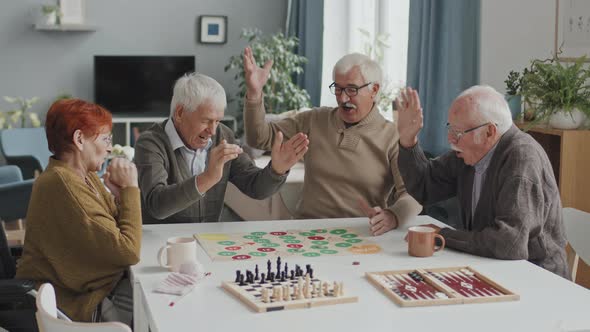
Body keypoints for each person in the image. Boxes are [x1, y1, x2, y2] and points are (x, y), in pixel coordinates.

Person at [243, 47, 421, 235]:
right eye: (337, 88)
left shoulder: (392, 136)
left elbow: (414, 194)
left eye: (351, 89)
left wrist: (393, 216)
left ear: (374, 90)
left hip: (361, 234)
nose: (343, 98)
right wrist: (254, 94)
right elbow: (258, 138)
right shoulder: (313, 120)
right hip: (307, 230)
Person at [396, 85, 569, 278]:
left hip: (536, 278)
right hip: (488, 267)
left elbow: (508, 244)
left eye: (458, 133)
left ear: (489, 132)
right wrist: (407, 140)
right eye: (450, 128)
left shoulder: (522, 158)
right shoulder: (469, 154)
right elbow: (425, 186)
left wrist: (442, 235)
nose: (450, 139)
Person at [16, 99, 141, 323]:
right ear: (80, 139)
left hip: (97, 287)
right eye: (105, 139)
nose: (110, 147)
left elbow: (111, 230)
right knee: (155, 308)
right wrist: (131, 189)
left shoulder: (83, 176)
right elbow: (128, 250)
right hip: (76, 303)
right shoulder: (63, 183)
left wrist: (119, 196)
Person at [134, 72, 309, 224]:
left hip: (207, 240)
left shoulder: (223, 136)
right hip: (163, 243)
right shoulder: (150, 143)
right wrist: (208, 177)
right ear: (180, 113)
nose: (212, 130)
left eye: (218, 121)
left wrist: (277, 170)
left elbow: (255, 187)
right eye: (206, 120)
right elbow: (157, 206)